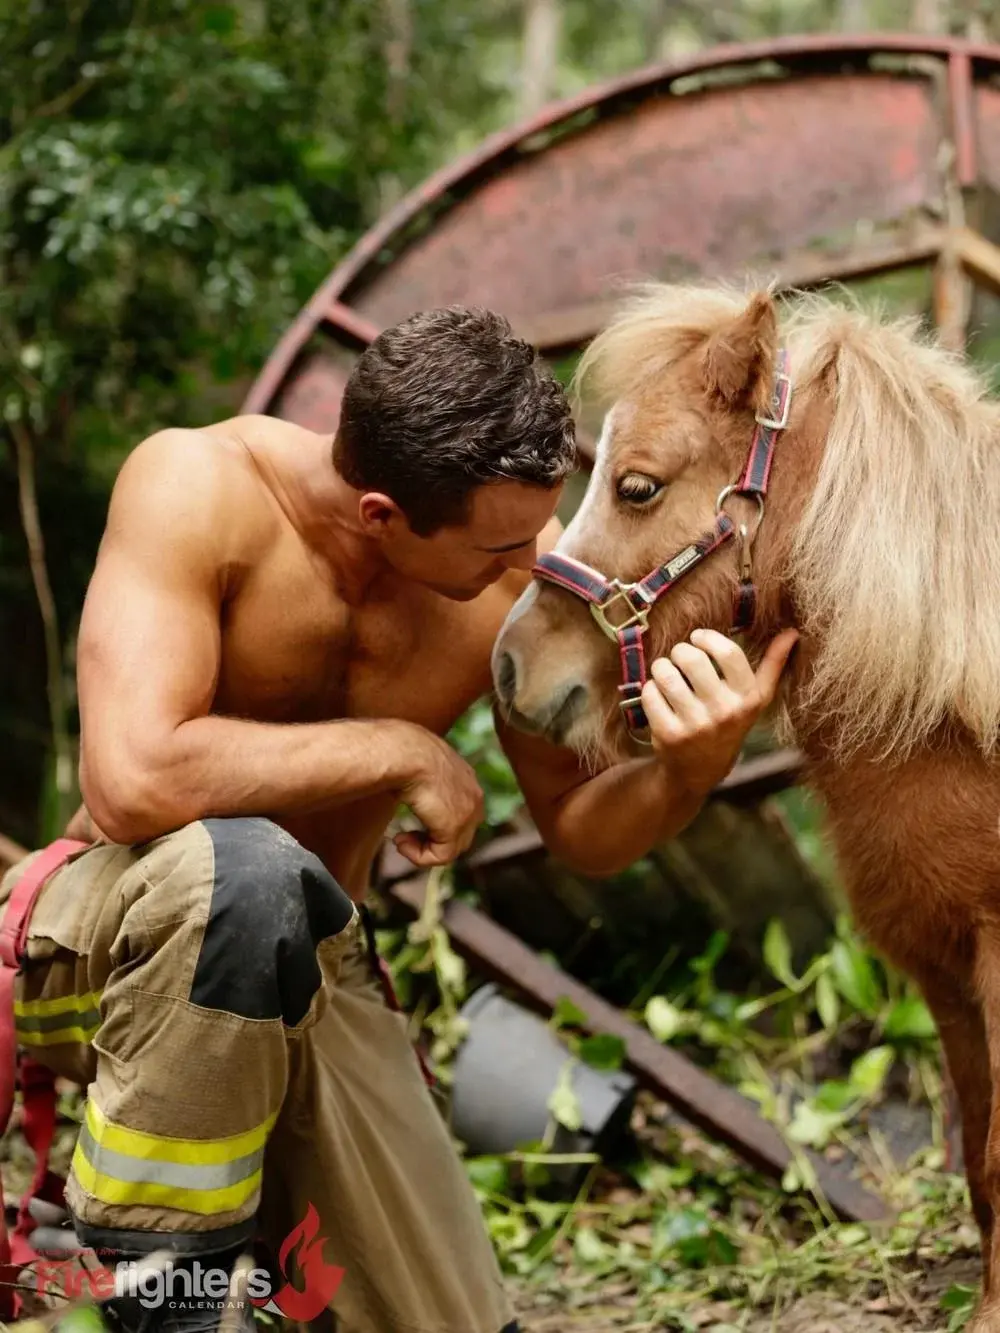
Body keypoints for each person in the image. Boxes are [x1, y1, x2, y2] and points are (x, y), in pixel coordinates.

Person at [1, 307, 798, 1333]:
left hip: (310, 975)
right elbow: (134, 778)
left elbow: (580, 830)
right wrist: (403, 747)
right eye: (501, 544)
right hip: (107, 940)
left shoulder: (518, 558)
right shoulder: (197, 488)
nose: (531, 562)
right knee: (244, 872)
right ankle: (154, 1295)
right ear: (382, 514)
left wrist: (690, 771)